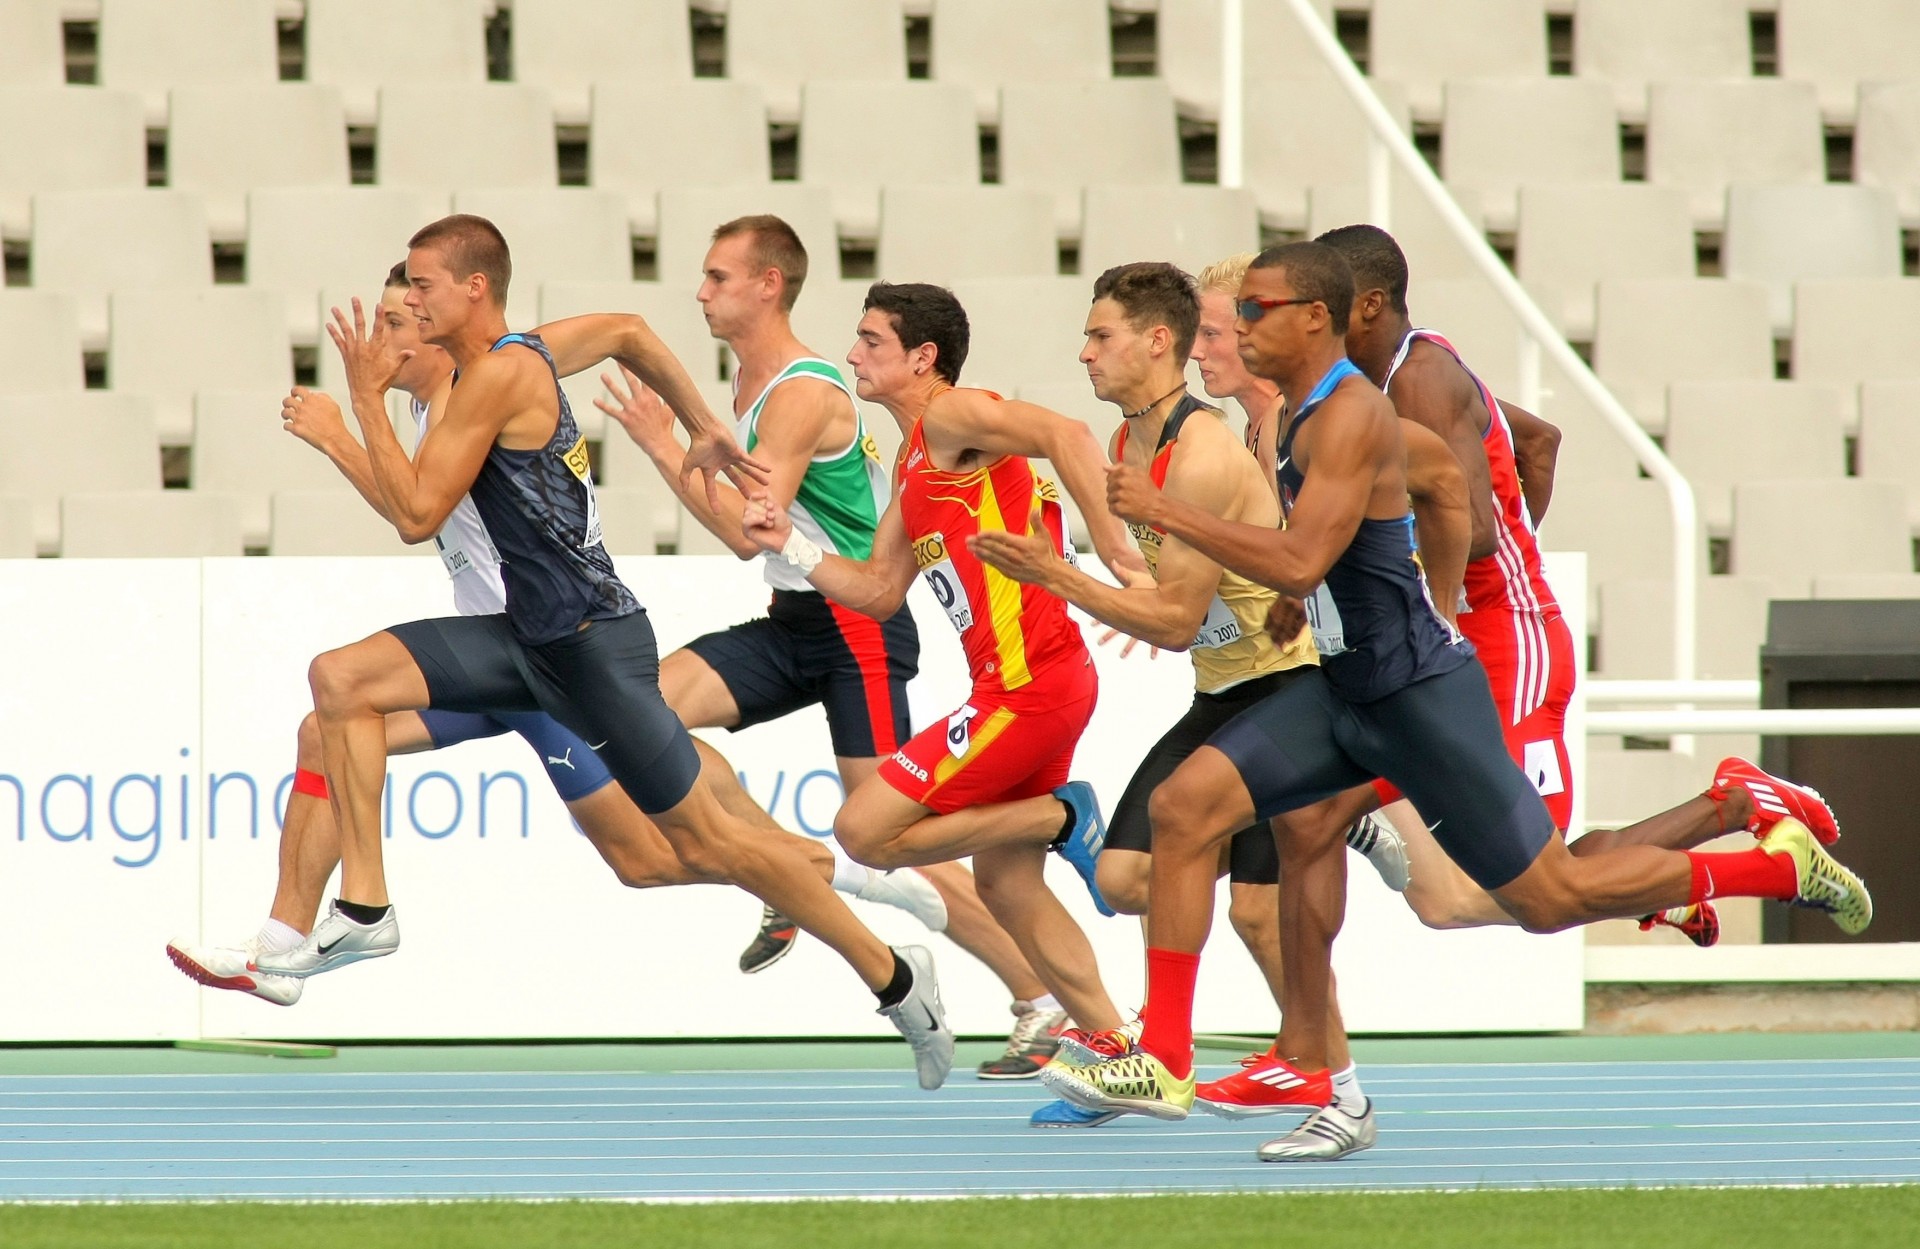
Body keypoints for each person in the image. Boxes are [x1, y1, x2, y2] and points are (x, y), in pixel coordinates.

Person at [1041, 242, 1872, 1154]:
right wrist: (1404, 589)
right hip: (1344, 690)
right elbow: (1439, 484)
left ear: (1313, 317)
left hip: (1416, 699)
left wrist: (1186, 523)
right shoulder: (1286, 419)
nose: (1233, 332)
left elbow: (1314, 550)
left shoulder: (1354, 411)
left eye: (1252, 312)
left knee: (1543, 896)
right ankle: (1201, 1060)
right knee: (1192, 807)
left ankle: (1774, 867)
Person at [249, 215, 956, 1089]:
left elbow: (414, 515)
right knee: (339, 684)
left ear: (473, 289)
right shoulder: (490, 366)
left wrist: (353, 412)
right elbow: (628, 330)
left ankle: (890, 969)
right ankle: (351, 910)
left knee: (694, 846)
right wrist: (704, 421)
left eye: (420, 290)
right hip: (517, 643)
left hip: (589, 648)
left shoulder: (503, 371)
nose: (406, 309)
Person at [594, 215, 1070, 1078]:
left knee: (891, 836)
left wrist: (662, 445)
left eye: (716, 277)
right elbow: (762, 543)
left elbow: (749, 533)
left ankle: (1038, 997)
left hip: (859, 625)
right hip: (796, 619)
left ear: (768, 284)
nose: (700, 293)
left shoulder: (805, 391)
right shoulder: (744, 386)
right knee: (640, 715)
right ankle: (789, 865)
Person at [738, 280, 1142, 1060]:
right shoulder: (914, 462)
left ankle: (1062, 816)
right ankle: (1116, 1050)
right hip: (1028, 687)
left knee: (863, 829)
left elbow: (1065, 432)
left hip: (1029, 689)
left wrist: (1118, 553)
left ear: (924, 358)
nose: (851, 354)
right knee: (1007, 888)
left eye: (870, 341)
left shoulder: (953, 416)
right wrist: (788, 542)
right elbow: (880, 591)